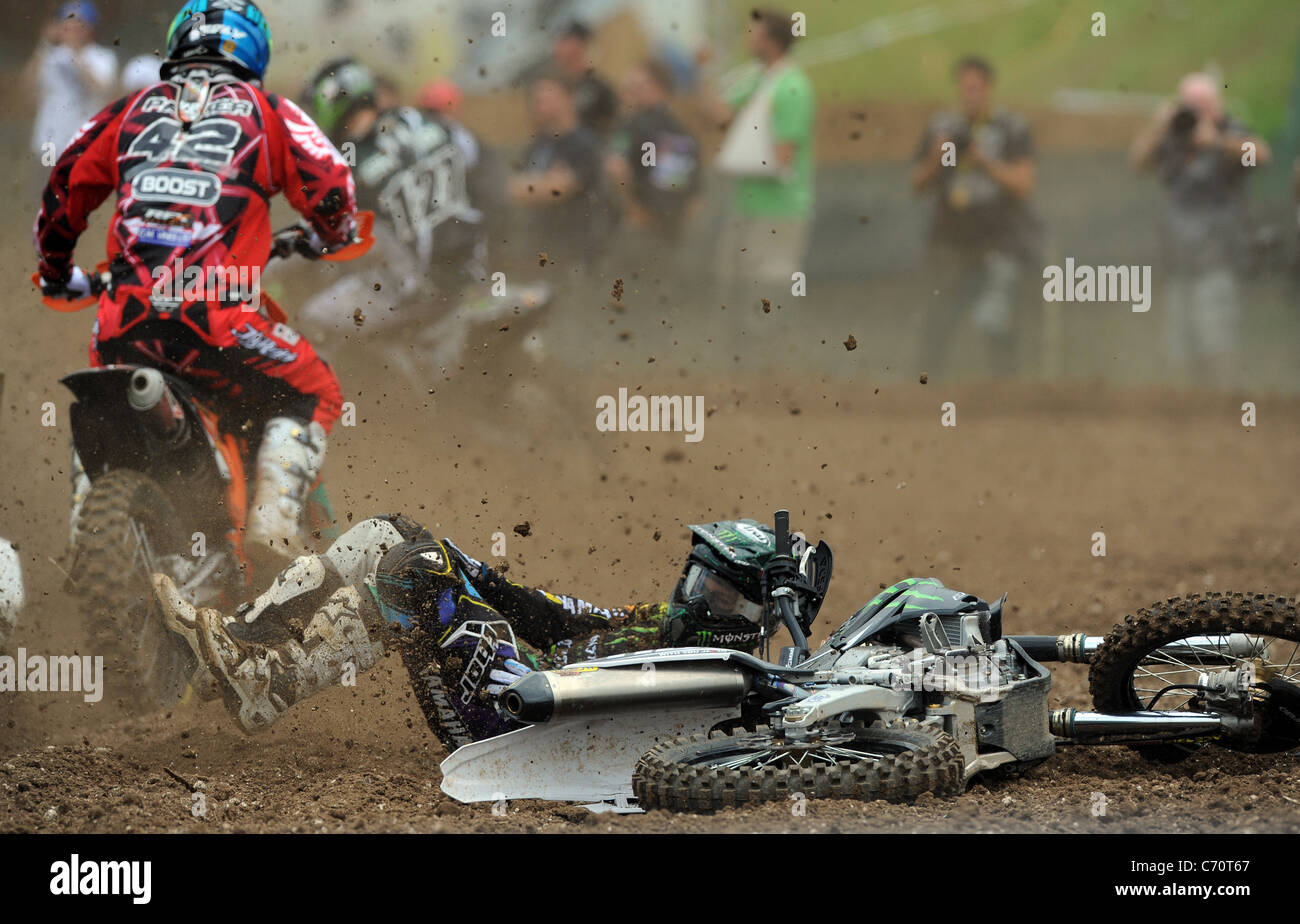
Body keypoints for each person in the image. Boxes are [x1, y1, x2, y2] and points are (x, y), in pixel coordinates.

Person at [34, 0, 360, 566]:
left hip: (122, 320)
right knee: (315, 391)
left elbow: (62, 188)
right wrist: (331, 232)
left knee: (103, 398)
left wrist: (59, 272)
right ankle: (275, 530)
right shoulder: (268, 110)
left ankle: (80, 534)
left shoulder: (130, 110)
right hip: (218, 321)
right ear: (254, 49)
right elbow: (332, 186)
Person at [153, 515, 813, 752]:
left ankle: (270, 683)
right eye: (698, 576)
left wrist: (543, 680)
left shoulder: (719, 669)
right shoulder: (656, 622)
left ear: (753, 615)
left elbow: (767, 700)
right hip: (514, 675)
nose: (698, 594)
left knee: (417, 581)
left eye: (720, 590)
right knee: (397, 534)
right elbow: (554, 612)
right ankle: (237, 644)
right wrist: (479, 574)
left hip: (517, 712)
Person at [298, 58, 489, 354]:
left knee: (314, 316)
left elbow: (319, 236)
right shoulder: (427, 121)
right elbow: (475, 161)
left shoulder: (346, 165)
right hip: (476, 268)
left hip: (417, 288)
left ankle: (355, 394)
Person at [1130, 73, 1271, 387]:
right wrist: (1160, 127)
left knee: (1216, 337)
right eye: (1189, 106)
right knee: (1177, 342)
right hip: (1178, 259)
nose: (1195, 113)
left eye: (1201, 106)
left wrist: (1218, 142)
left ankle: (1224, 403)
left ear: (1215, 107)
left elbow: (1261, 155)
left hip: (1217, 257)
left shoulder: (1229, 132)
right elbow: (1137, 161)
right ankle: (1184, 410)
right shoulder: (1172, 138)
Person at [911, 55, 1039, 376]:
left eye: (977, 89)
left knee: (997, 317)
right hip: (950, 238)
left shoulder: (1010, 127)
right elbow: (916, 184)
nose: (971, 95)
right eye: (965, 88)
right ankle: (926, 385)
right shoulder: (941, 127)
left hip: (998, 238)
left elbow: (1024, 183)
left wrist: (986, 162)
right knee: (939, 315)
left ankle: (1004, 388)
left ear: (989, 89)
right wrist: (936, 157)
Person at [699, 8, 815, 296]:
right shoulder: (759, 79)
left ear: (771, 41)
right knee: (732, 289)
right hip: (747, 205)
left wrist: (738, 157)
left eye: (754, 33)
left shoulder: (792, 87)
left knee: (766, 295)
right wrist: (703, 70)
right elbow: (719, 116)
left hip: (779, 210)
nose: (747, 39)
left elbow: (783, 157)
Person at [510, 72, 614, 276]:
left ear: (569, 99)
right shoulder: (540, 142)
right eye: (536, 98)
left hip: (574, 254)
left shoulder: (585, 143)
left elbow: (556, 189)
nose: (538, 103)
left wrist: (518, 186)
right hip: (540, 251)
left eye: (547, 96)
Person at [606, 59, 702, 245]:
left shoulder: (630, 125)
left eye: (635, 87)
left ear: (659, 88)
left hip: (636, 231)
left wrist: (632, 208)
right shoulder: (683, 132)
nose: (627, 94)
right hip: (672, 234)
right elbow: (694, 201)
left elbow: (615, 168)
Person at [23, 2, 117, 190]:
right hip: (48, 143)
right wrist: (44, 44)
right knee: (44, 196)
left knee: (77, 196)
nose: (71, 29)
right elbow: (27, 87)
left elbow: (102, 91)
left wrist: (76, 54)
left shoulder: (102, 57)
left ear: (90, 28)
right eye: (67, 22)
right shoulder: (49, 56)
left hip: (82, 145)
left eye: (78, 23)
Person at [551, 21, 619, 138]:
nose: (557, 47)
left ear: (576, 44)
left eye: (563, 40)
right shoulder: (564, 88)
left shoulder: (599, 88)